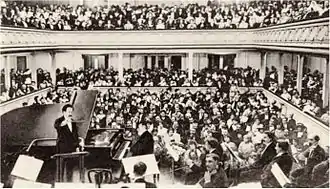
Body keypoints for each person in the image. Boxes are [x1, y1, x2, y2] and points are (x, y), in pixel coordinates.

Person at [54, 104, 84, 182]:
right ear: (64, 112)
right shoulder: (59, 120)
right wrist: (65, 122)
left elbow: (75, 135)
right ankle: (59, 184)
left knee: (70, 168)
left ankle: (69, 183)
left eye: (71, 111)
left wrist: (77, 147)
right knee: (60, 169)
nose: (70, 113)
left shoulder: (73, 122)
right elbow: (57, 127)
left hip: (71, 148)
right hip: (62, 148)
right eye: (68, 111)